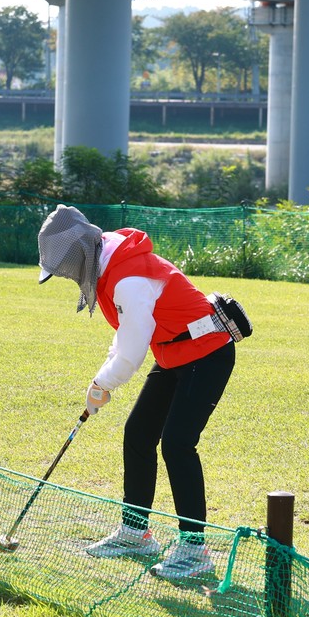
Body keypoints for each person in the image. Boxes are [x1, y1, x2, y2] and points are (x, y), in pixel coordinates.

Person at [36, 205, 235, 580]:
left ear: (80, 255)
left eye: (64, 267)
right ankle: (135, 532)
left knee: (177, 444)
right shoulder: (109, 258)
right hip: (175, 353)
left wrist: (102, 384)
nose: (65, 275)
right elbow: (125, 336)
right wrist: (100, 381)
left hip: (207, 353)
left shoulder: (127, 277)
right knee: (139, 434)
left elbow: (132, 353)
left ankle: (195, 549)